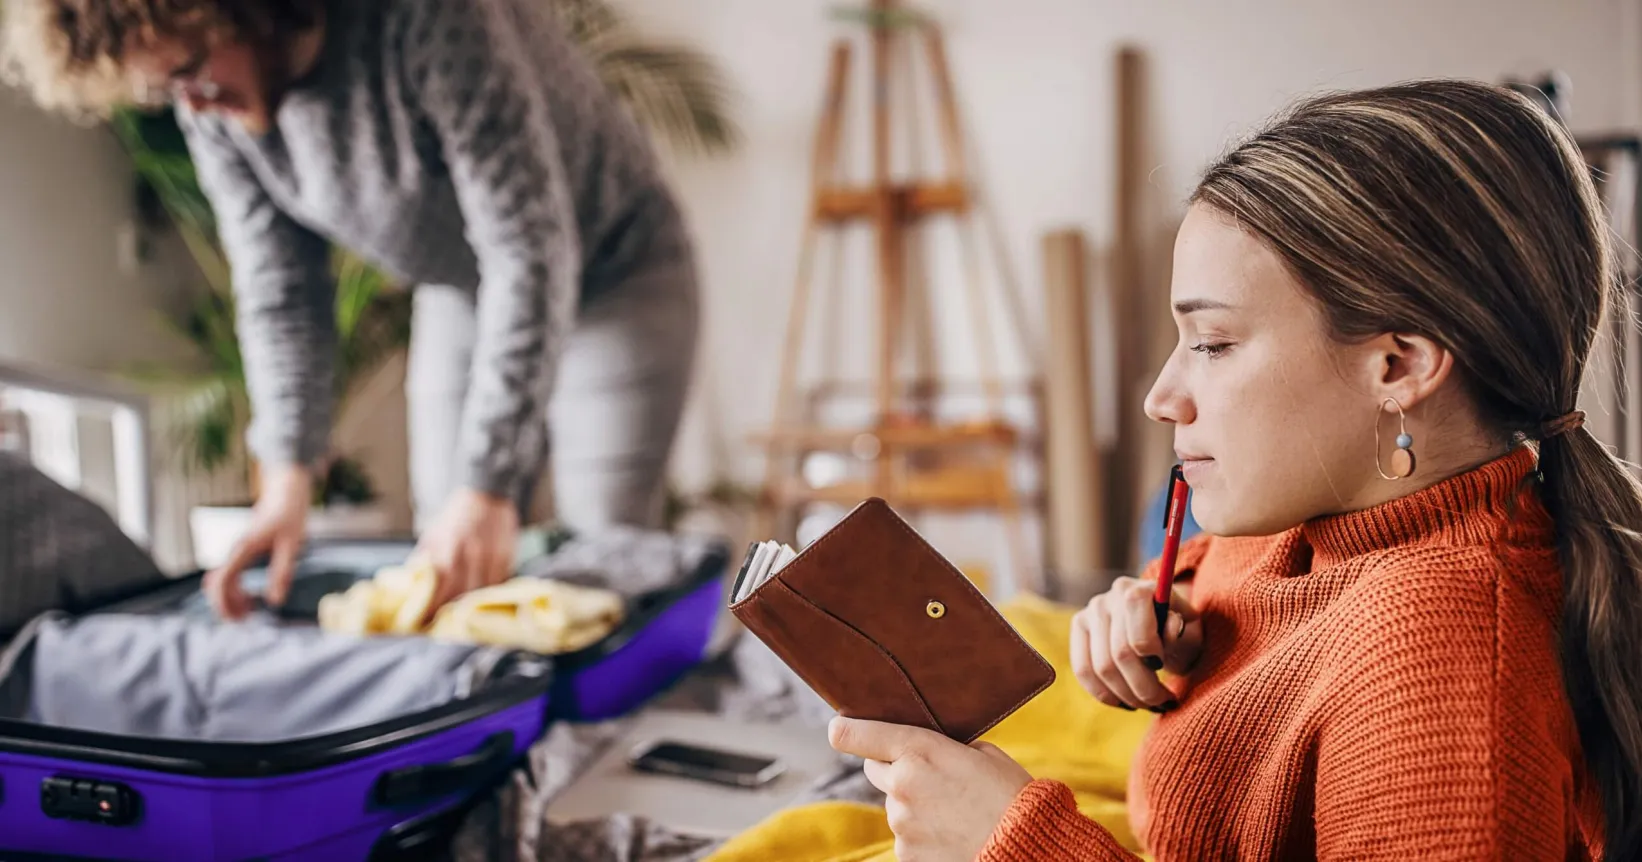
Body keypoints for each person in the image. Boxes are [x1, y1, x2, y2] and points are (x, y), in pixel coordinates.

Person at [826, 80, 1638, 859]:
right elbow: (1272, 612)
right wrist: (1146, 610)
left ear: (1397, 366)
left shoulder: (1439, 678)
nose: (1161, 396)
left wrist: (1013, 845)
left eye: (1213, 344)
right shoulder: (1318, 512)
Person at [1, 0, 701, 620]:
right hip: (462, 289)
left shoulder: (427, 18)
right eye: (168, 90)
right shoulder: (209, 109)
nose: (196, 103)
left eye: (192, 69)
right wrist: (286, 482)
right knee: (444, 546)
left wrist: (491, 483)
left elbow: (527, 245)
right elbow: (281, 290)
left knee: (606, 546)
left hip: (615, 270)